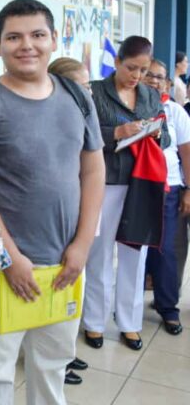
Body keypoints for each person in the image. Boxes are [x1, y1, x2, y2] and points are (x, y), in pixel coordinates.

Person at [0, 0, 105, 405]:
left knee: (53, 366)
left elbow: (93, 171)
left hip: (64, 264)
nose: (27, 45)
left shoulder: (78, 97)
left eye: (38, 35)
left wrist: (82, 246)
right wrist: (8, 257)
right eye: (14, 37)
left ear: (54, 39)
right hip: (1, 268)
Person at [82, 35, 169, 351]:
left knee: (135, 254)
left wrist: (155, 134)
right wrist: (117, 133)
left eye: (143, 70)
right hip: (104, 182)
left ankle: (129, 323)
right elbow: (81, 133)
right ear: (117, 61)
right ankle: (94, 321)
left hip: (141, 183)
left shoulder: (150, 95)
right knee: (99, 254)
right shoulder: (94, 92)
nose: (137, 76)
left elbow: (167, 137)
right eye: (131, 67)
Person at [47, 57, 92, 386]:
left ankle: (64, 353)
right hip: (47, 228)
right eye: (82, 86)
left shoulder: (84, 112)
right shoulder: (50, 116)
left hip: (76, 218)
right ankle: (56, 359)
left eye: (89, 86)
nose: (88, 91)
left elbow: (92, 169)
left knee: (72, 291)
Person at [142, 58, 189, 335]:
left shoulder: (175, 112)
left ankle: (168, 307)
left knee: (166, 249)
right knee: (135, 249)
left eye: (159, 77)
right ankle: (128, 305)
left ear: (168, 84)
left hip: (168, 187)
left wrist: (188, 190)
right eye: (148, 74)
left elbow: (187, 154)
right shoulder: (128, 106)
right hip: (134, 187)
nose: (153, 80)